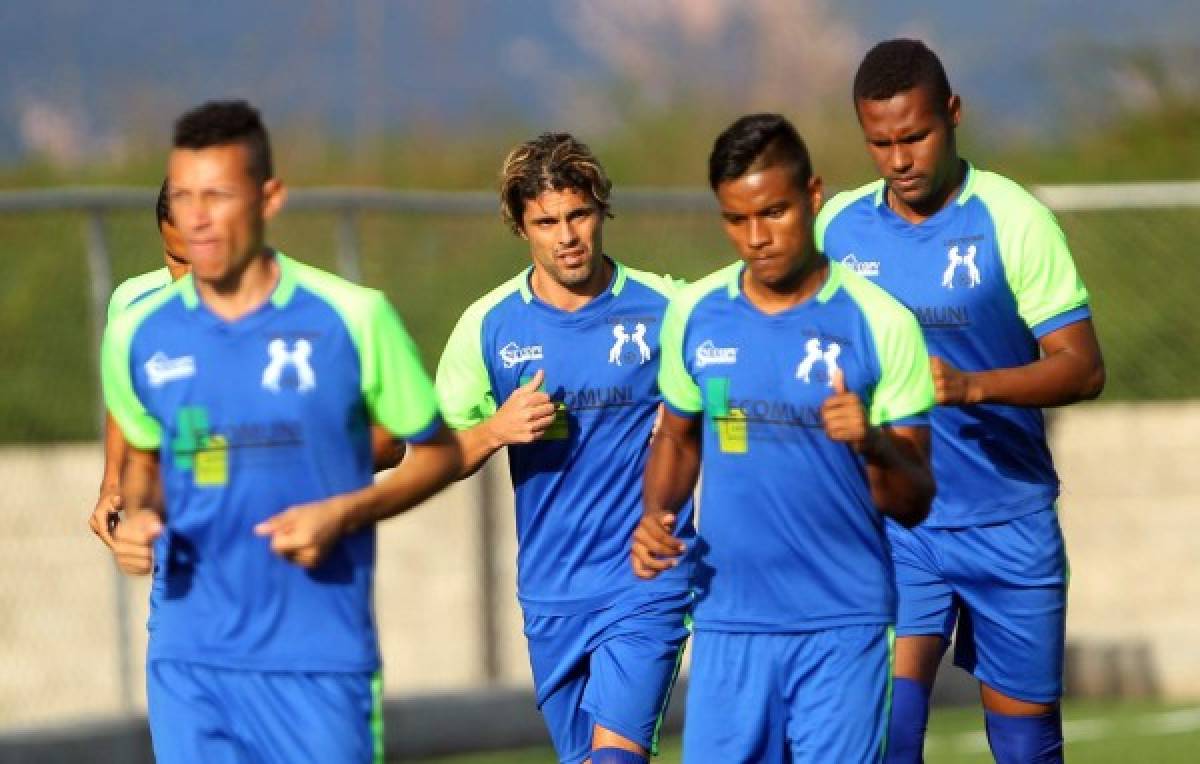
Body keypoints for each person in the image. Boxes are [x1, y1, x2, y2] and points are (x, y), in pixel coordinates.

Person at [101, 100, 462, 763]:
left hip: (316, 659)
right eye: (184, 198)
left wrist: (344, 510)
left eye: (219, 196)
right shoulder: (137, 329)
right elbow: (143, 456)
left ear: (269, 198)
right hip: (189, 652)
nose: (199, 218)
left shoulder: (353, 318)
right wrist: (137, 513)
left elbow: (436, 454)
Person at [816, 39, 1106, 763]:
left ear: (952, 114)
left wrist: (973, 385)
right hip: (895, 521)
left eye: (915, 136)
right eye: (880, 143)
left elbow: (1083, 368)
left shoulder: (1013, 218)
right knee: (885, 735)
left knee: (1025, 745)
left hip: (1007, 519)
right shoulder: (839, 230)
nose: (899, 158)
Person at [632, 113, 935, 762]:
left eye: (773, 212)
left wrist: (875, 442)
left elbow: (917, 498)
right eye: (736, 220)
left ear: (813, 195)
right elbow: (680, 436)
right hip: (726, 622)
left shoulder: (882, 324)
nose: (757, 237)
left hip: (842, 623)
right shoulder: (695, 315)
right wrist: (656, 514)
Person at [435, 133, 694, 764]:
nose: (567, 235)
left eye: (578, 214)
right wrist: (496, 429)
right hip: (550, 594)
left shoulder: (669, 309)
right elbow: (432, 454)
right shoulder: (489, 325)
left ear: (601, 210)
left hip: (646, 579)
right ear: (520, 227)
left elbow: (739, 390)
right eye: (546, 221)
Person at [89, 181, 189, 548]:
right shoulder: (134, 306)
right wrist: (112, 483)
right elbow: (124, 397)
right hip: (178, 532)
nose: (189, 281)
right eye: (177, 260)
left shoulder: (283, 312)